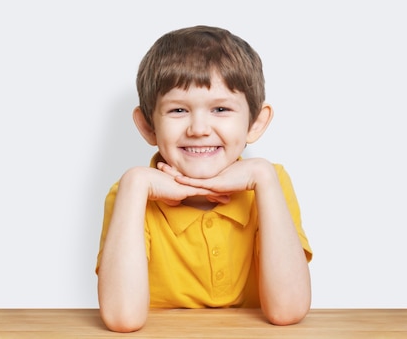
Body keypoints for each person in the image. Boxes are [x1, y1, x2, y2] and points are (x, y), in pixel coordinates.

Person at [96, 25, 313, 333]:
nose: (198, 128)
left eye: (221, 109)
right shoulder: (130, 195)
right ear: (148, 127)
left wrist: (262, 177)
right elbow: (122, 319)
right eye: (178, 110)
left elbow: (288, 310)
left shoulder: (271, 183)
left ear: (255, 123)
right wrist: (134, 184)